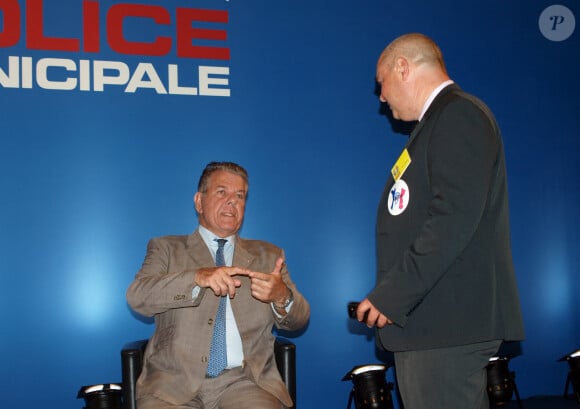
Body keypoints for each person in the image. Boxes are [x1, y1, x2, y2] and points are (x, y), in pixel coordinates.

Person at [355, 33, 525, 409]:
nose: (381, 96)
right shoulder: (437, 124)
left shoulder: (458, 115)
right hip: (434, 325)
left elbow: (452, 220)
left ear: (403, 68)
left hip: (447, 325)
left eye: (381, 83)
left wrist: (391, 295)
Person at [127, 161, 310, 409]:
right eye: (221, 192)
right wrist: (196, 278)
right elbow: (138, 297)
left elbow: (300, 319)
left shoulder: (268, 255)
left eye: (240, 195)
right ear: (199, 201)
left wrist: (281, 296)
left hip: (245, 383)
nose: (232, 201)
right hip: (173, 384)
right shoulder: (166, 248)